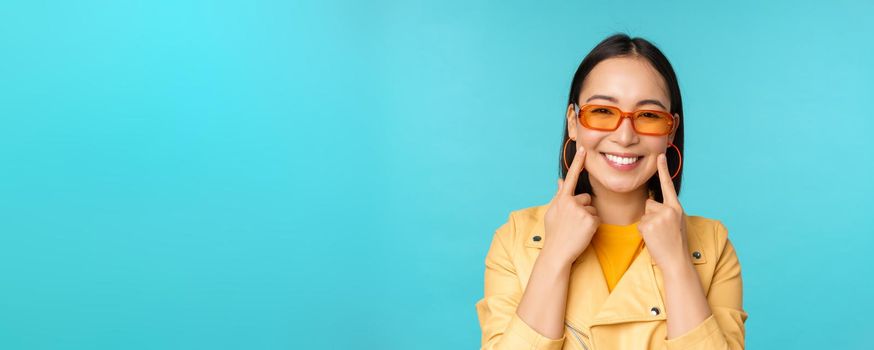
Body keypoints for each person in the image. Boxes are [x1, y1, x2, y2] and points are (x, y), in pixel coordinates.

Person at [475, 34, 748, 350]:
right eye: (603, 111)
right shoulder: (515, 240)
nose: (625, 136)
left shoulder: (712, 246)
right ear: (574, 123)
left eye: (648, 115)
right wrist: (554, 256)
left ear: (670, 129)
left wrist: (677, 264)